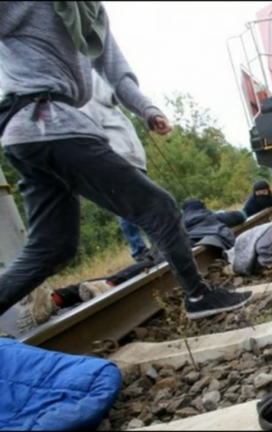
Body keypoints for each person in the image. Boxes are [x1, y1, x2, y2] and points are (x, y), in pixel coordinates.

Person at [0, 1, 252, 331]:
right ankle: (198, 297)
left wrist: (147, 109)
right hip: (49, 124)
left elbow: (115, 72)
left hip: (31, 134)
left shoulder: (90, 11)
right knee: (157, 206)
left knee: (54, 245)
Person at [80, 69, 153, 263]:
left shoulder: (115, 112)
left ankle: (156, 245)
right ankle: (140, 251)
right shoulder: (89, 107)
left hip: (134, 160)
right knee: (129, 208)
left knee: (146, 204)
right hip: (119, 162)